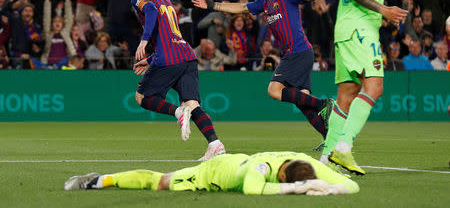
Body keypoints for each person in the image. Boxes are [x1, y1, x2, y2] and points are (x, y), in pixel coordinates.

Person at [192, 0, 336, 149]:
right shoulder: (264, 2)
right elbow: (241, 8)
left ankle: (324, 103)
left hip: (298, 52)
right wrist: (212, 5)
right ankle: (330, 139)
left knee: (274, 90)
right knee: (302, 101)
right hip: (297, 54)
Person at [321, 0, 408, 175]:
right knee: (374, 87)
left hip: (348, 27)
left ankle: (326, 158)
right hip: (359, 29)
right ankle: (343, 148)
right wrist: (384, 10)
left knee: (346, 95)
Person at [129, 0, 225, 161]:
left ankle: (177, 112)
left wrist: (144, 40)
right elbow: (168, 35)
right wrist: (150, 59)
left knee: (142, 98)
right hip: (186, 54)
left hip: (168, 57)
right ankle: (215, 144)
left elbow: (150, 11)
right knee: (193, 103)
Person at [64, 151, 359, 196]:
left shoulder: (305, 160)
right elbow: (253, 190)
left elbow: (351, 186)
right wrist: (299, 188)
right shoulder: (264, 170)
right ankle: (99, 180)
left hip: (234, 160)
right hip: (211, 172)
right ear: (284, 177)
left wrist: (333, 187)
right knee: (159, 182)